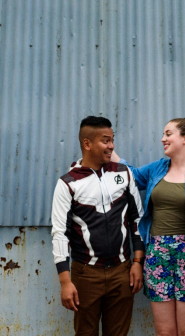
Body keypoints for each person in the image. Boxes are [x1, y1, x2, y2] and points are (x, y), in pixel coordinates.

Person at [112, 117, 185, 336]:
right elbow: (130, 176)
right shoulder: (157, 170)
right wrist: (110, 150)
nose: (163, 139)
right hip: (157, 256)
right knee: (164, 332)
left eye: (168, 134)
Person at [51, 116, 145, 336]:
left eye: (112, 140)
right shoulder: (68, 183)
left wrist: (138, 262)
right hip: (86, 274)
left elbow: (137, 219)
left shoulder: (124, 173)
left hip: (122, 272)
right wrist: (65, 281)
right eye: (105, 140)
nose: (111, 146)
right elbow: (60, 233)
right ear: (87, 144)